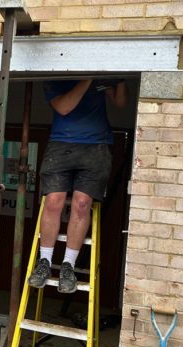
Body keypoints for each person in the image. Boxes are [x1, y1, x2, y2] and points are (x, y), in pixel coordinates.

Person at [28, 79, 128, 293]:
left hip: (97, 146)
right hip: (61, 143)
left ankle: (68, 267)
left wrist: (120, 79)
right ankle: (44, 262)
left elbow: (120, 102)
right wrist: (89, 78)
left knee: (82, 205)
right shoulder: (55, 78)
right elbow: (63, 107)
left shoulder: (101, 76)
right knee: (53, 202)